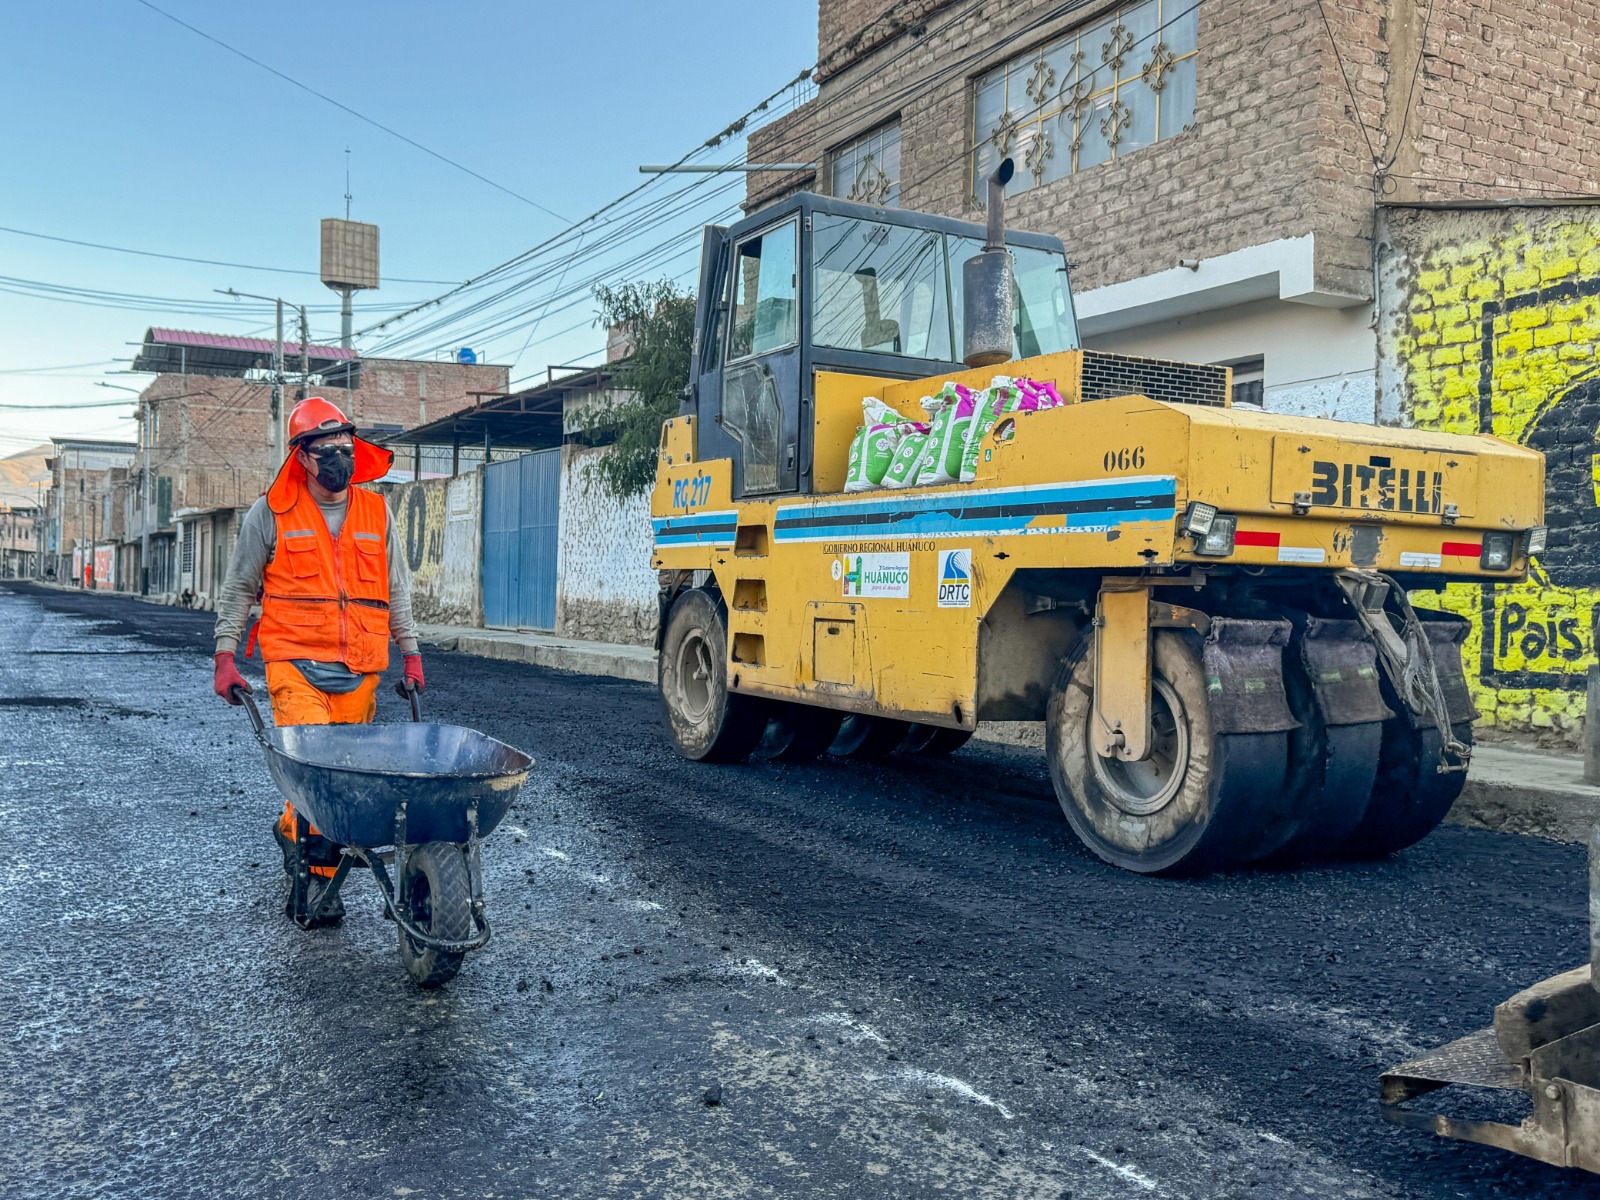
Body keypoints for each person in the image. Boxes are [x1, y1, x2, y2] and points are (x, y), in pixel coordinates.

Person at [211, 397, 424, 924]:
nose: (339, 458)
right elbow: (240, 586)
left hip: (360, 668)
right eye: (327, 449)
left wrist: (412, 655)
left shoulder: (376, 511)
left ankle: (299, 844)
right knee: (317, 775)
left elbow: (397, 592)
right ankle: (313, 876)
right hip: (294, 665)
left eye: (345, 448)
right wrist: (225, 655)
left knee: (346, 778)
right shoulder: (271, 513)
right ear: (302, 456)